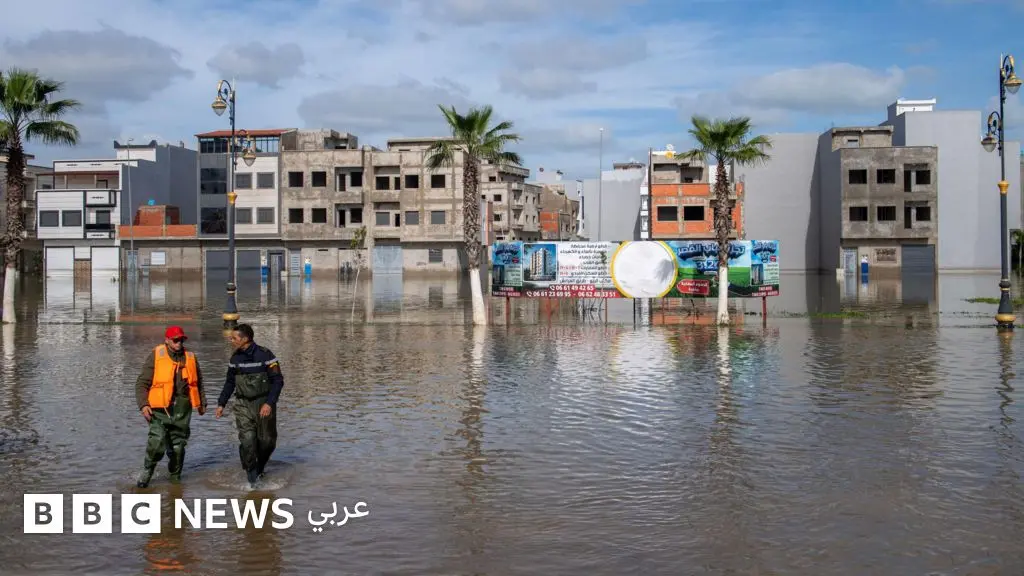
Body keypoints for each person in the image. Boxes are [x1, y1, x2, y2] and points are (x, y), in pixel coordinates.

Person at [135, 326, 206, 487]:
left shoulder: (191, 357)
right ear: (167, 341)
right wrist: (143, 405)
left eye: (181, 340)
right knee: (157, 442)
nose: (179, 343)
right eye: (175, 340)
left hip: (182, 409)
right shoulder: (156, 356)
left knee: (178, 447)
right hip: (158, 409)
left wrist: (202, 403)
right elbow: (141, 383)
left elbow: (199, 382)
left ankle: (175, 479)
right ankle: (147, 471)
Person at [216, 323, 284, 486]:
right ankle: (251, 477)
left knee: (267, 441)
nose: (231, 340)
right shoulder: (235, 359)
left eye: (234, 338)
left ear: (245, 339)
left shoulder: (266, 355)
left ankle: (259, 467)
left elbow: (277, 381)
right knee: (248, 440)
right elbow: (230, 382)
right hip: (243, 404)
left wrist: (269, 403)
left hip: (263, 403)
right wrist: (221, 403)